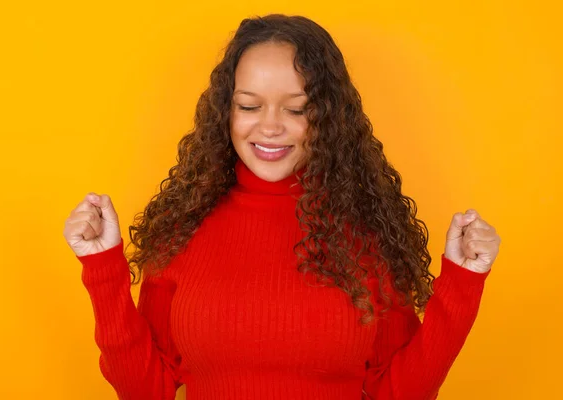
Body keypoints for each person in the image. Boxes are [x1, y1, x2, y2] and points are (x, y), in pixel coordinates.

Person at [63, 14, 501, 400]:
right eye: (249, 106)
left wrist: (462, 284)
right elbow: (145, 391)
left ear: (327, 118)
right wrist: (102, 267)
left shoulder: (365, 234)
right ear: (226, 113)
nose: (270, 127)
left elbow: (399, 392)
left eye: (297, 109)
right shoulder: (182, 229)